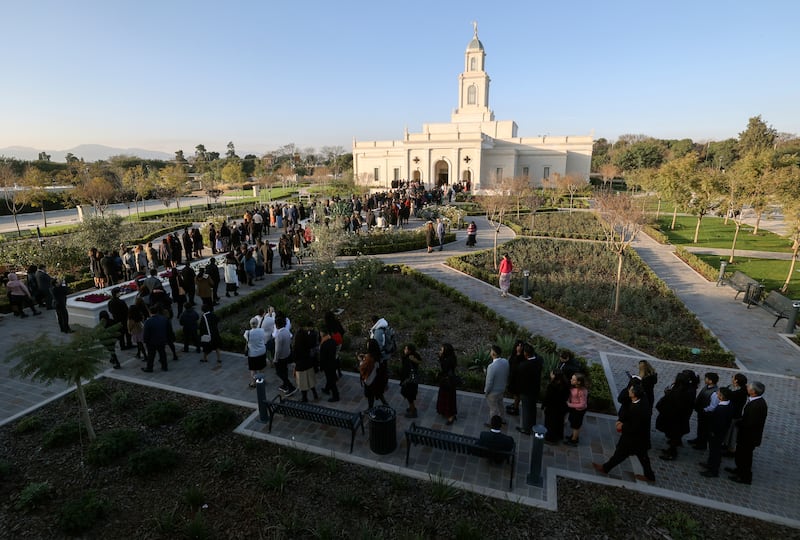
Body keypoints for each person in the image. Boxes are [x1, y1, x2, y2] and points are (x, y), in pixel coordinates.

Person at [592, 384, 656, 483]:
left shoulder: (638, 410)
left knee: (620, 454)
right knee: (643, 457)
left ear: (634, 394)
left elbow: (634, 426)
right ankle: (650, 476)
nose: (628, 391)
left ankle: (605, 468)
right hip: (639, 439)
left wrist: (621, 426)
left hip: (634, 439)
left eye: (630, 390)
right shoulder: (642, 399)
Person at [726, 381, 768, 485]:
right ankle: (739, 470)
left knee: (745, 457)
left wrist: (738, 423)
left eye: (749, 387)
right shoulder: (756, 401)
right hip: (746, 436)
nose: (747, 387)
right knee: (740, 455)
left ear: (753, 391)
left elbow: (750, 423)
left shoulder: (757, 406)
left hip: (748, 437)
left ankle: (745, 477)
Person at [656, 370, 698, 461]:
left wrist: (667, 395)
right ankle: (671, 449)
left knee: (674, 436)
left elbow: (675, 404)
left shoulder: (684, 391)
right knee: (674, 436)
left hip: (676, 418)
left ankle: (672, 453)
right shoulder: (687, 388)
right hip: (679, 418)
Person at [699, 387, 735, 478]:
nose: (716, 394)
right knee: (714, 451)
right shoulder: (729, 404)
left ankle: (713, 470)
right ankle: (710, 464)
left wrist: (712, 432)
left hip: (716, 434)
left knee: (715, 451)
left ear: (721, 397)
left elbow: (718, 423)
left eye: (718, 393)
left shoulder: (721, 409)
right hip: (721, 433)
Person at [515, 343, 543, 435]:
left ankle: (526, 429)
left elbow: (517, 369)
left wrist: (518, 354)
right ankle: (532, 425)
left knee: (526, 409)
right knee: (532, 408)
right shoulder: (539, 360)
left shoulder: (524, 366)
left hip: (526, 391)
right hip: (535, 389)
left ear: (526, 354)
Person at [689, 372, 719, 450]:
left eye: (706, 378)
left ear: (711, 381)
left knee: (704, 429)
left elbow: (713, 406)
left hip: (707, 414)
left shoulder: (715, 392)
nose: (705, 379)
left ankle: (702, 445)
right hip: (701, 412)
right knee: (700, 427)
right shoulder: (707, 387)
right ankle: (698, 439)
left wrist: (703, 410)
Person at [722, 373, 748, 458]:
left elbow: (728, 396)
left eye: (733, 377)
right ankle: (726, 446)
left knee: (732, 434)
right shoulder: (741, 389)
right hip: (734, 414)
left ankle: (731, 450)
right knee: (729, 433)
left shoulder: (739, 393)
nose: (732, 378)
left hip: (734, 416)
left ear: (736, 380)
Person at [484, 344, 509, 427]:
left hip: (493, 392)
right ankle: (503, 419)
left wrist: (486, 392)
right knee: (500, 405)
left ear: (493, 353)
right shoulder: (505, 362)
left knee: (493, 408)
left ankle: (492, 423)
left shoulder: (491, 367)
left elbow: (489, 382)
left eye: (491, 351)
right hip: (501, 389)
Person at [542, 370, 570, 444]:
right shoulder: (566, 384)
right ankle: (559, 436)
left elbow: (548, 397)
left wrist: (544, 405)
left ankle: (550, 439)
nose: (551, 375)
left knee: (550, 423)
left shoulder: (552, 386)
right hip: (561, 407)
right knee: (559, 422)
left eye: (552, 374)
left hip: (552, 407)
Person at [359, 338, 388, 410]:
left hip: (369, 379)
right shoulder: (378, 355)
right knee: (378, 392)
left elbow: (363, 368)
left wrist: (361, 360)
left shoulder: (369, 358)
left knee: (370, 395)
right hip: (377, 378)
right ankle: (385, 404)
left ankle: (370, 408)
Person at [293, 326, 319, 402]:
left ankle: (304, 398)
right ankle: (315, 394)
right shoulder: (308, 344)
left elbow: (294, 358)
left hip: (300, 367)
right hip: (309, 364)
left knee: (303, 383)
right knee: (311, 380)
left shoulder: (296, 347)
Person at [273, 314, 297, 396]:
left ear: (276, 325)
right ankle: (285, 384)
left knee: (279, 372)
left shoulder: (279, 335)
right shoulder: (287, 332)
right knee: (285, 370)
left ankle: (290, 386)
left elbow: (277, 350)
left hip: (281, 357)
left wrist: (275, 359)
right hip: (287, 354)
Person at [436, 343, 459, 425]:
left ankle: (451, 416)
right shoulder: (451, 358)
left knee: (448, 399)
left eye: (442, 350)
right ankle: (446, 412)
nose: (440, 351)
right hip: (447, 382)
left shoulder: (447, 360)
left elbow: (444, 369)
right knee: (446, 398)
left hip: (447, 382)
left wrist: (441, 358)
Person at [142, 307, 170, 372]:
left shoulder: (148, 322)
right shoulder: (164, 319)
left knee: (151, 355)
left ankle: (149, 368)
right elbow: (168, 330)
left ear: (150, 312)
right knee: (162, 353)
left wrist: (145, 341)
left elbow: (146, 333)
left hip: (151, 341)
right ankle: (164, 366)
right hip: (162, 339)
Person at [565, 373, 588, 446]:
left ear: (579, 382)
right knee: (573, 423)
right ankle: (573, 436)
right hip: (574, 409)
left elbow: (582, 404)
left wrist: (570, 404)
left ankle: (574, 440)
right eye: (572, 378)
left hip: (579, 410)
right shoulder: (574, 386)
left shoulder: (582, 391)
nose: (571, 380)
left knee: (576, 426)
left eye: (573, 379)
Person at [244, 317, 268, 388]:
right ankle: (262, 380)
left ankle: (253, 383)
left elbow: (246, 340)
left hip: (252, 354)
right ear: (257, 324)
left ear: (250, 324)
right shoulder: (262, 330)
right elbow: (263, 338)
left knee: (253, 369)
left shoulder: (247, 333)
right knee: (261, 368)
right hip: (262, 352)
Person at [400, 344, 422, 419]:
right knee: (409, 396)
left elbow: (406, 370)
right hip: (411, 381)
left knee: (410, 397)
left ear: (409, 351)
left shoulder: (410, 358)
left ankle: (413, 411)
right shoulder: (412, 356)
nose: (404, 350)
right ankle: (411, 408)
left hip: (409, 381)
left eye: (406, 349)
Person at [319, 327, 340, 402]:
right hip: (333, 363)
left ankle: (336, 396)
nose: (320, 333)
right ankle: (327, 389)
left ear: (323, 333)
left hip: (327, 365)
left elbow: (322, 357)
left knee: (331, 380)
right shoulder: (332, 341)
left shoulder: (324, 344)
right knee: (330, 378)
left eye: (320, 332)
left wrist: (321, 367)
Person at [506, 340, 526, 416]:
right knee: (514, 393)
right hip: (512, 377)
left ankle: (515, 408)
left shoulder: (522, 357)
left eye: (521, 346)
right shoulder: (514, 354)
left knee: (516, 394)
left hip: (518, 379)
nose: (519, 347)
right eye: (518, 346)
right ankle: (514, 404)